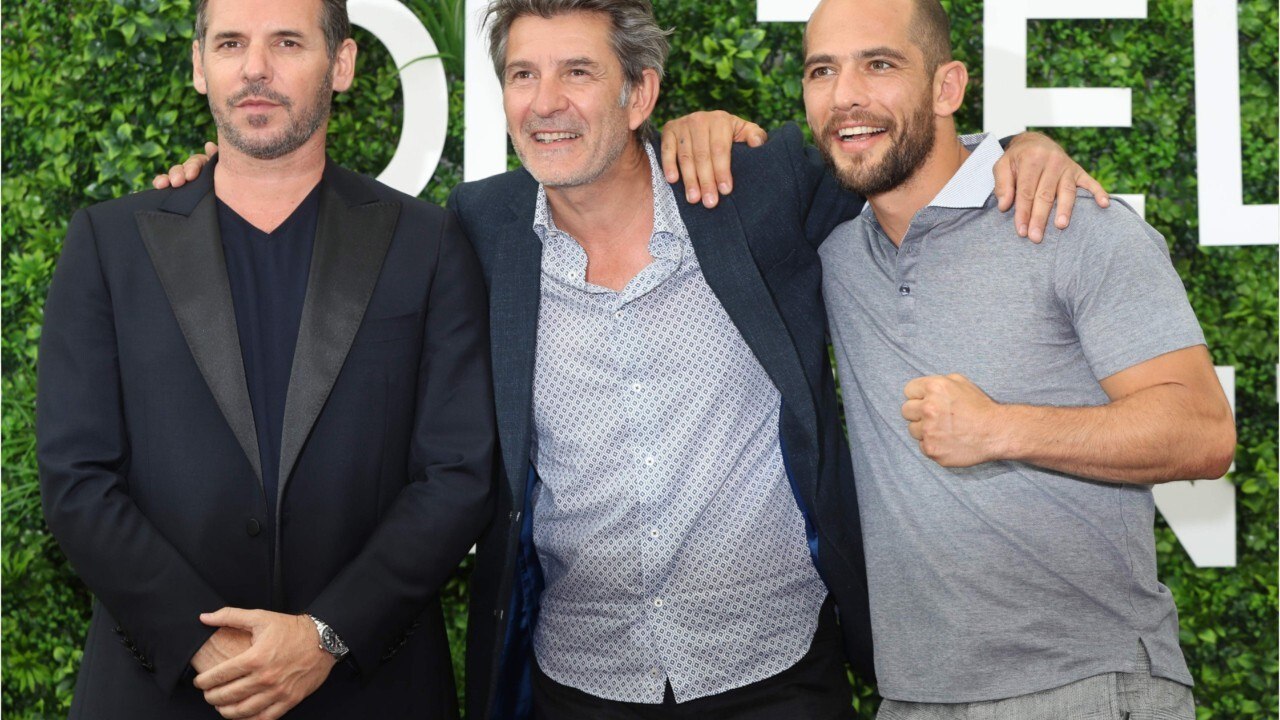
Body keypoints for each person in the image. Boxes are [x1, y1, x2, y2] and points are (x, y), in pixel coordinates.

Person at [154, 1, 1102, 717]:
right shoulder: (475, 231)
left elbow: (892, 154)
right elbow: (329, 240)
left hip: (778, 671)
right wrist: (221, 180)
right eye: (523, 76)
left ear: (640, 92)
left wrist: (1017, 148)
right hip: (577, 677)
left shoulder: (753, 189)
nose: (546, 103)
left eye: (576, 72)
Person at [669, 0, 1235, 717]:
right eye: (822, 70)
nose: (846, 95)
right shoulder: (838, 254)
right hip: (912, 696)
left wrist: (1003, 429)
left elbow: (1204, 431)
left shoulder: (1067, 222)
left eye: (879, 64)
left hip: (1086, 686)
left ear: (946, 88)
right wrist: (698, 126)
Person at [37, 0, 495, 718]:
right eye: (229, 43)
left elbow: (458, 475)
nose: (255, 68)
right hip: (162, 693)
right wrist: (204, 644)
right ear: (198, 66)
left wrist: (326, 635)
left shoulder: (426, 245)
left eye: (287, 41)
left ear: (340, 64)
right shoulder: (108, 245)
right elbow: (75, 479)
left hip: (369, 693)